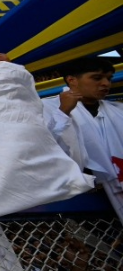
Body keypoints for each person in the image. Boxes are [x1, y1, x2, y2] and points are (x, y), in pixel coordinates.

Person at [39, 55, 122, 220]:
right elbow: (44, 148)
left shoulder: (118, 110)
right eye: (97, 78)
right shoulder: (46, 107)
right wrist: (63, 113)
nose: (106, 84)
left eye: (109, 78)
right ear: (72, 80)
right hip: (80, 194)